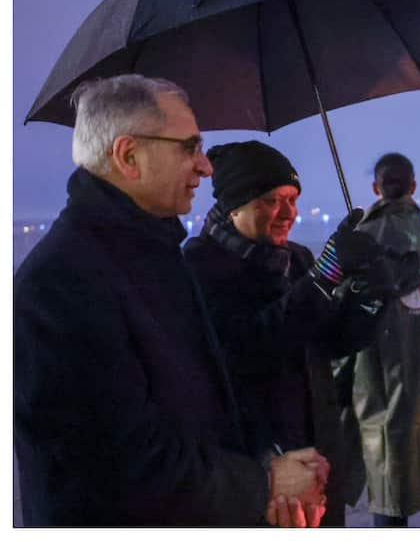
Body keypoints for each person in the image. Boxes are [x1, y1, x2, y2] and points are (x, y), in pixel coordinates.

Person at [14, 75, 327, 526]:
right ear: (128, 156)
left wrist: (267, 459)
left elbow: (201, 404)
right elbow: (122, 466)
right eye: (189, 147)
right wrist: (264, 484)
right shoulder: (61, 283)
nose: (205, 167)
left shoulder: (154, 258)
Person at [183, 141, 404, 526]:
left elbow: (332, 340)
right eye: (271, 201)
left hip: (318, 453)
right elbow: (251, 345)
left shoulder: (296, 258)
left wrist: (371, 296)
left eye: (292, 199)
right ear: (234, 206)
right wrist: (326, 273)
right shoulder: (200, 266)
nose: (288, 213)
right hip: (260, 466)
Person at [343, 153, 420, 526]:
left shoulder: (357, 243)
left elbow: (339, 325)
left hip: (377, 389)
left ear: (376, 188)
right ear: (413, 186)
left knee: (388, 483)